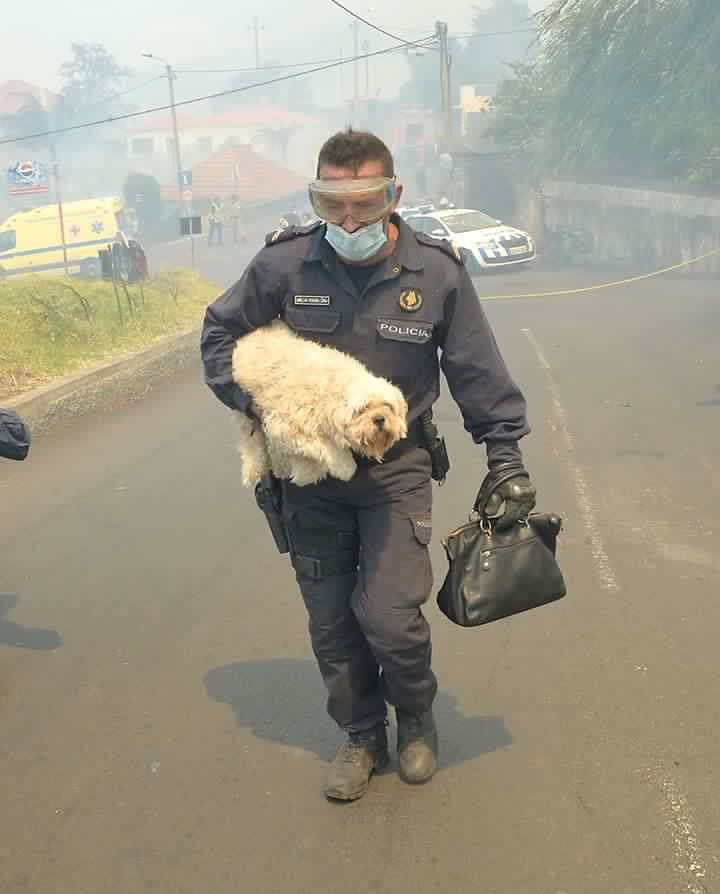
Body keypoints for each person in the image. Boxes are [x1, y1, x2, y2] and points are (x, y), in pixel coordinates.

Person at [201, 129, 536, 801]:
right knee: (331, 618)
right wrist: (261, 405)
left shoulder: (435, 272)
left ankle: (413, 715)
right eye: (332, 204)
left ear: (394, 195)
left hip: (396, 472)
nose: (348, 221)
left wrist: (506, 456)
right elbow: (219, 333)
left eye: (365, 202)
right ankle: (359, 733)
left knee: (389, 615)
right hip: (309, 477)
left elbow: (476, 370)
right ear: (316, 198)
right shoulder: (284, 267)